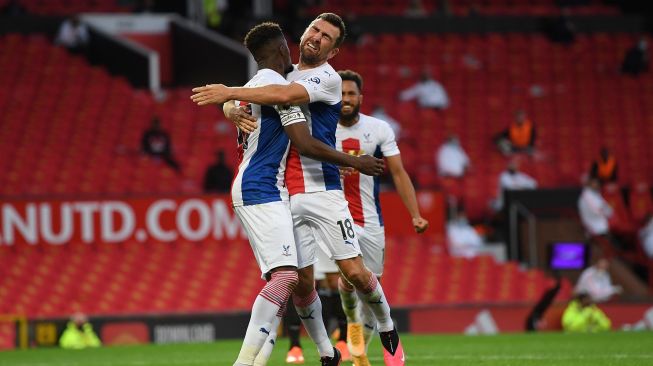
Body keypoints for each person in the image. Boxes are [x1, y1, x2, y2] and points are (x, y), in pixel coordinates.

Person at [191, 16, 405, 365]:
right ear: (302, 34)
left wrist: (229, 95)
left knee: (352, 271)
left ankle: (387, 327)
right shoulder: (276, 75)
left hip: (323, 187)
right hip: (284, 191)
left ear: (333, 50)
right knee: (299, 282)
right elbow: (255, 98)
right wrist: (230, 107)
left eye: (327, 38)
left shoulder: (326, 78)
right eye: (314, 30)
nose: (317, 38)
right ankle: (325, 352)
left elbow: (286, 101)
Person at [310, 69, 429, 366]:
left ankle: (359, 344)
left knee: (371, 284)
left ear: (360, 98)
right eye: (342, 94)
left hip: (370, 220)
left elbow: (398, 173)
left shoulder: (378, 129)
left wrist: (415, 214)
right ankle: (354, 323)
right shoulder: (320, 128)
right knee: (348, 277)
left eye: (351, 94)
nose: (346, 99)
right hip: (334, 216)